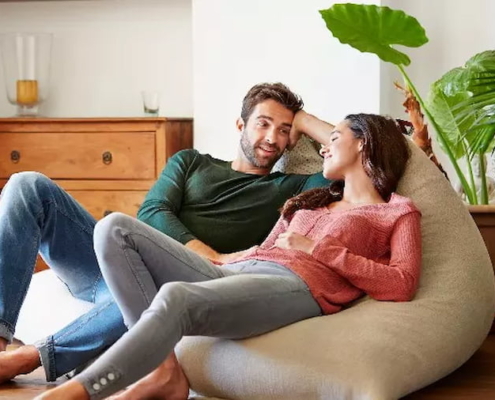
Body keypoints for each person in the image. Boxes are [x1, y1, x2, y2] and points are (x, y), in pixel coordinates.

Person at [35, 113, 422, 400]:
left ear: (363, 144)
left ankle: (79, 391)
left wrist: (321, 250)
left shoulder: (396, 211)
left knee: (176, 296)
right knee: (114, 228)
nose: (324, 145)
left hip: (295, 287)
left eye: (334, 138)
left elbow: (402, 284)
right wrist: (221, 260)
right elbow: (264, 249)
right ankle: (165, 371)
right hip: (241, 272)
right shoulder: (312, 201)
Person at [0, 82, 330, 384]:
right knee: (27, 185)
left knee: (156, 287)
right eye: (264, 123)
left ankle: (30, 359)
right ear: (240, 125)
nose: (273, 137)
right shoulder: (191, 162)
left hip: (167, 280)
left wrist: (304, 120)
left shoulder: (293, 187)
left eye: (284, 130)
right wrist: (212, 255)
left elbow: (350, 161)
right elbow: (153, 212)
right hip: (109, 257)